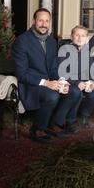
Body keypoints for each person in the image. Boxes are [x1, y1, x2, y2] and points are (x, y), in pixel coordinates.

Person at [12, 8, 82, 143]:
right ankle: (38, 129)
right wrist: (47, 83)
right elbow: (21, 74)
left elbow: (54, 68)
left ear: (50, 23)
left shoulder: (51, 41)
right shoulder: (22, 41)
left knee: (74, 91)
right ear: (34, 21)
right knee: (52, 95)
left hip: (48, 82)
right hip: (31, 85)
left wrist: (62, 81)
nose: (44, 24)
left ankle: (55, 123)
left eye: (47, 21)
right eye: (40, 20)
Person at [58, 25, 94, 129]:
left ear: (86, 39)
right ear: (72, 36)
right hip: (69, 82)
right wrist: (77, 83)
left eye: (83, 36)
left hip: (83, 82)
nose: (80, 38)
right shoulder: (64, 50)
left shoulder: (86, 51)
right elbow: (62, 72)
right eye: (77, 35)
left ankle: (84, 116)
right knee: (76, 92)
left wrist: (92, 81)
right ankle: (70, 120)